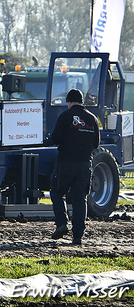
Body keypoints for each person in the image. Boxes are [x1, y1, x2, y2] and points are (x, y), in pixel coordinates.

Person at [50, 88, 99, 246]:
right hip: (85, 164)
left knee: (57, 193)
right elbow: (96, 144)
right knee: (80, 199)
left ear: (69, 102)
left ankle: (62, 224)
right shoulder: (92, 119)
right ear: (82, 101)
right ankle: (77, 236)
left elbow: (56, 139)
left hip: (66, 163)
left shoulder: (65, 116)